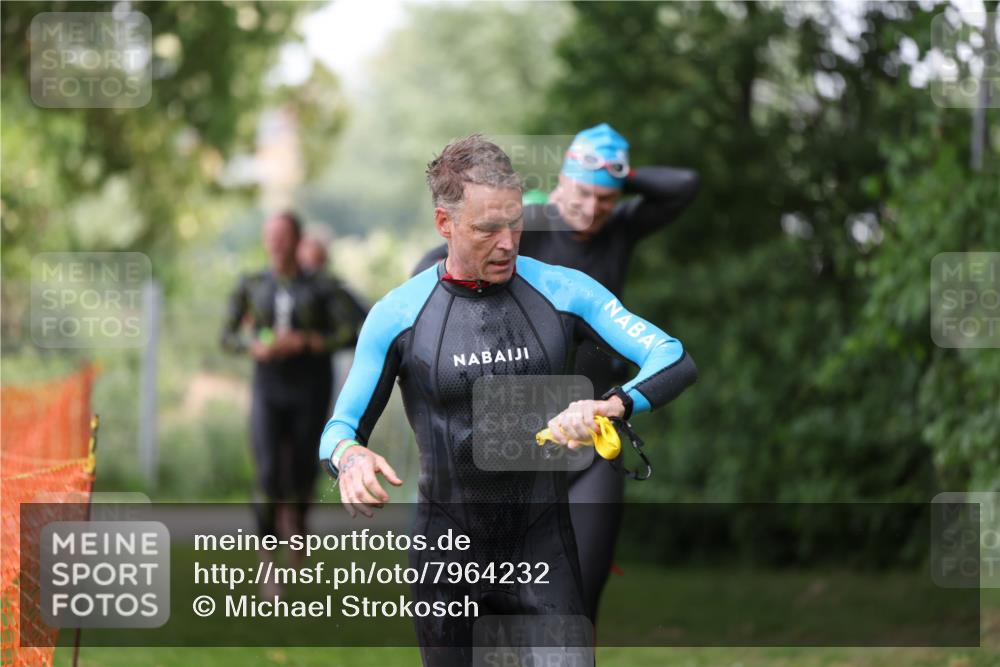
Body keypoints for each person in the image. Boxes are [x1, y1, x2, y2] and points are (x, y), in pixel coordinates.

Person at [320, 135, 697, 665]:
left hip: (543, 551)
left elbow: (672, 355)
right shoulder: (398, 314)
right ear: (444, 224)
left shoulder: (566, 290)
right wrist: (350, 459)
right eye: (487, 228)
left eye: (515, 223)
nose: (508, 243)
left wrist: (612, 404)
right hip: (446, 556)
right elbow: (339, 428)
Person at [412, 123, 700, 623]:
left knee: (576, 606)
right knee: (501, 611)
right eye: (582, 193)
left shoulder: (619, 225)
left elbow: (684, 186)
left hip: (590, 426)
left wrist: (613, 176)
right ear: (562, 180)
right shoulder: (529, 224)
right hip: (517, 428)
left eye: (605, 199)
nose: (591, 210)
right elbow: (433, 265)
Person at [221, 212, 358, 586]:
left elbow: (356, 327)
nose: (277, 244)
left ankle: (297, 532)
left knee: (300, 471)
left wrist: (311, 341)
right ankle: (267, 559)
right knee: (266, 472)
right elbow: (226, 336)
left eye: (284, 237)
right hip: (268, 386)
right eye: (271, 237)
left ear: (298, 241)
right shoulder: (252, 284)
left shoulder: (321, 286)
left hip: (309, 387)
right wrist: (253, 346)